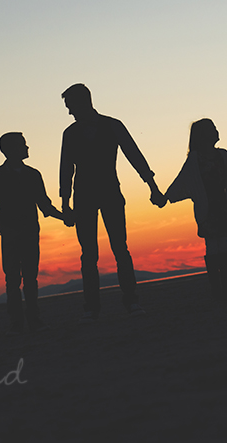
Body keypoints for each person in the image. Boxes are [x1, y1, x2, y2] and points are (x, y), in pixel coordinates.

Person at [59, 83, 165, 321]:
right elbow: (66, 168)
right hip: (84, 197)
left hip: (110, 193)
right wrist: (66, 203)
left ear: (83, 101)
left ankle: (131, 301)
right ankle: (92, 307)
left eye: (70, 106)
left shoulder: (112, 125)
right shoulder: (71, 133)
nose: (69, 112)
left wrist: (153, 186)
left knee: (120, 248)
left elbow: (134, 155)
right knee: (89, 254)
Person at [164, 119, 227, 301]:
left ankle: (224, 291)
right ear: (204, 135)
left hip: (223, 207)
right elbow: (182, 180)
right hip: (207, 210)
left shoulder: (222, 155)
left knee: (221, 246)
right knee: (213, 247)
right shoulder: (194, 160)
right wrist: (166, 197)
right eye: (213, 128)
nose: (217, 131)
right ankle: (218, 291)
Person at [0, 132, 66, 333]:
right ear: (10, 149)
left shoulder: (33, 175)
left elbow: (45, 206)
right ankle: (17, 323)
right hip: (12, 236)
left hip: (30, 233)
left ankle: (33, 319)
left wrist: (65, 217)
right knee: (13, 280)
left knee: (30, 278)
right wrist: (5, 231)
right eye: (23, 145)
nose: (27, 148)